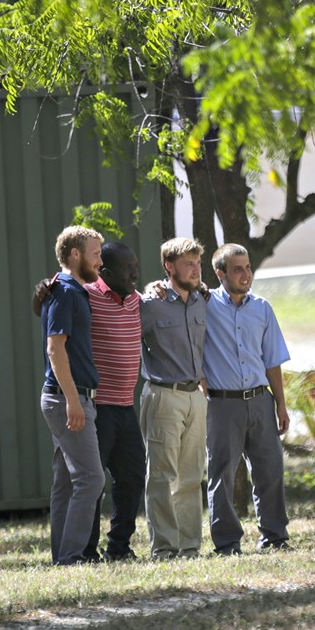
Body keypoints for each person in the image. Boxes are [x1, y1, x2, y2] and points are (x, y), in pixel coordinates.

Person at [33, 242, 147, 562]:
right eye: (129, 268)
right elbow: (51, 313)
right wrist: (41, 291)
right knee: (89, 481)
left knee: (132, 476)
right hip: (97, 405)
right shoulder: (87, 295)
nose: (135, 273)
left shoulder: (139, 301)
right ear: (106, 273)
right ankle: (84, 551)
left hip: (125, 405)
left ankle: (119, 546)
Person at [203, 243, 292, 555]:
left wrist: (280, 403)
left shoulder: (262, 308)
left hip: (260, 400)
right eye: (237, 269)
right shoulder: (204, 305)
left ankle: (274, 536)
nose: (246, 274)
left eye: (248, 267)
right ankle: (227, 543)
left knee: (270, 470)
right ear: (220, 273)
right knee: (221, 474)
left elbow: (272, 361)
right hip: (222, 403)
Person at [139, 237, 209, 559]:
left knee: (192, 476)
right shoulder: (149, 305)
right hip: (163, 396)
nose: (195, 270)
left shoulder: (201, 300)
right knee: (162, 476)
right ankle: (165, 548)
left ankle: (190, 546)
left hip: (195, 397)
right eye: (188, 265)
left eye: (197, 263)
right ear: (169, 267)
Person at [40, 226, 106, 565]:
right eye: (95, 254)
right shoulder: (65, 292)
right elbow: (55, 349)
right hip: (69, 396)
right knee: (91, 478)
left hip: (70, 396)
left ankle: (63, 556)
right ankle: (71, 556)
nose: (100, 260)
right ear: (75, 254)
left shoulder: (72, 290)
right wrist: (73, 400)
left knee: (67, 482)